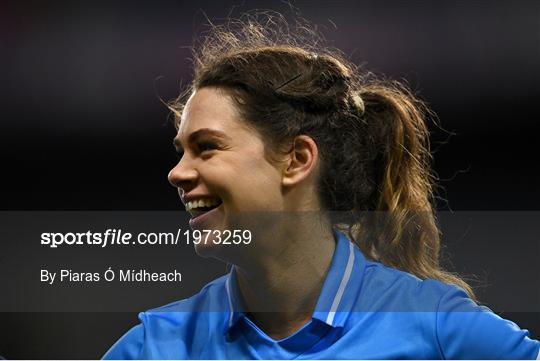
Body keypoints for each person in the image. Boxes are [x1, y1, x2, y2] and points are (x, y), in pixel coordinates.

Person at [103, 14, 540, 359]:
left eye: (207, 147)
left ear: (296, 160)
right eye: (180, 151)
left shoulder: (436, 326)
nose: (177, 173)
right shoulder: (152, 347)